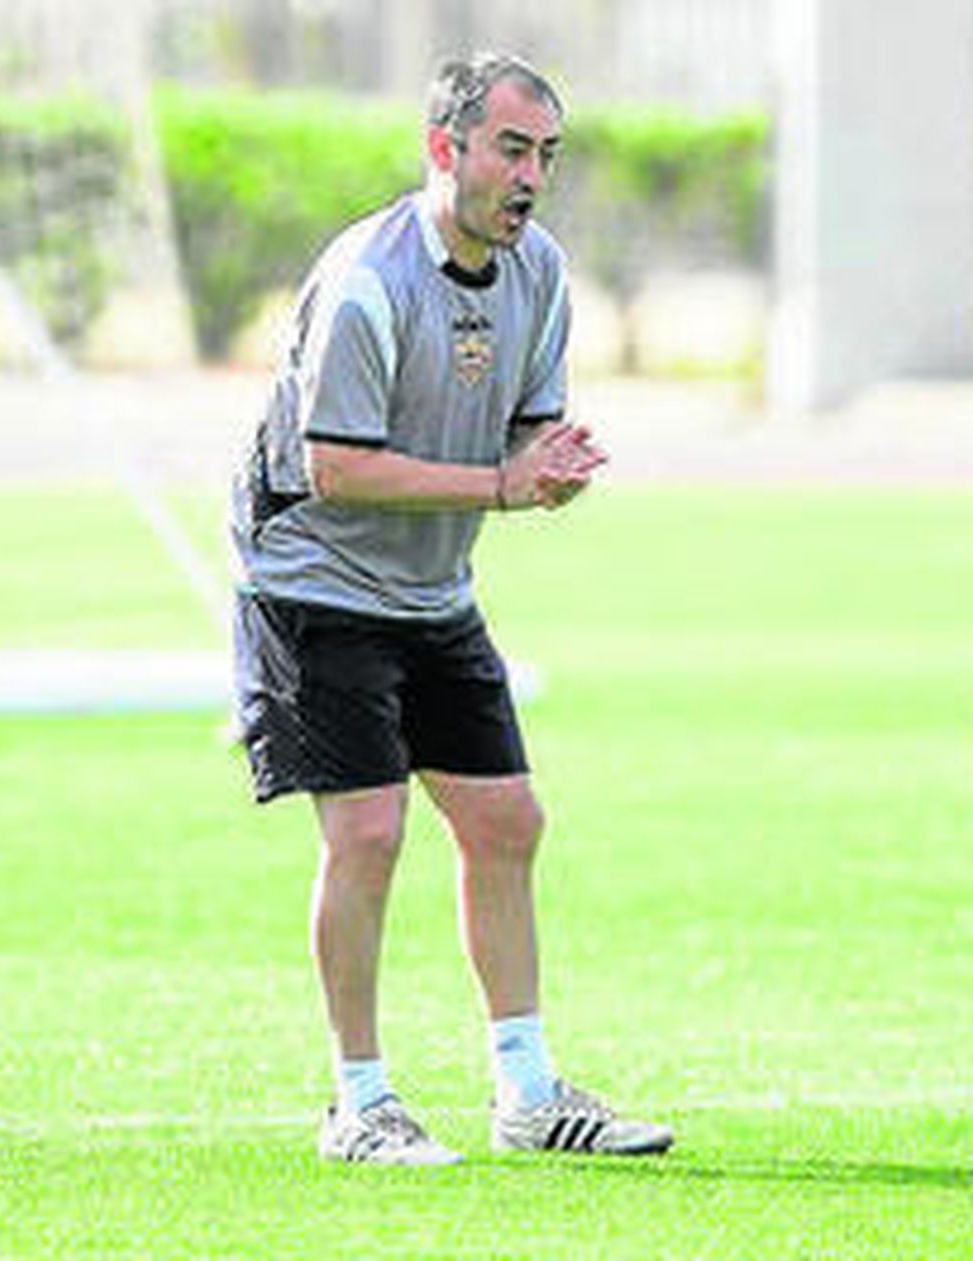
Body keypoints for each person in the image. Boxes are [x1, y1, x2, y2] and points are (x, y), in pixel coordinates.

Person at [229, 51, 674, 1165]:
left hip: (430, 588)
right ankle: (358, 1102)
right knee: (369, 831)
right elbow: (335, 466)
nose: (531, 177)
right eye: (512, 150)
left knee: (505, 821)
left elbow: (522, 428)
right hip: (314, 584)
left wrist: (547, 457)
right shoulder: (369, 280)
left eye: (546, 156)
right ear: (447, 150)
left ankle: (527, 1092)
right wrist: (500, 486)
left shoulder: (541, 273)